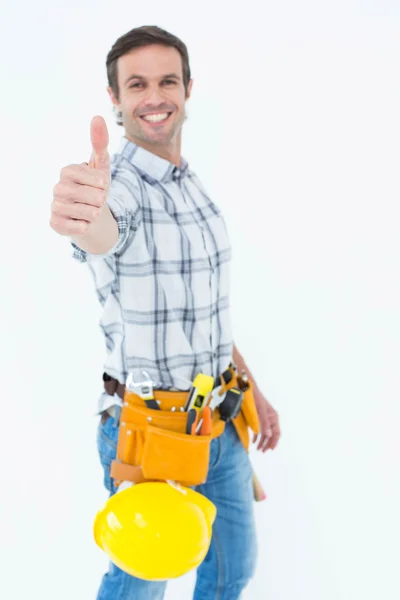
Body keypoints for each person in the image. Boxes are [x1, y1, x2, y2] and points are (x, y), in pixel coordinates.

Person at [50, 25, 281, 600]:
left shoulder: (191, 186)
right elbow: (100, 231)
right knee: (140, 583)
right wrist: (86, 212)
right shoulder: (117, 187)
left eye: (166, 80)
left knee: (232, 570)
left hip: (218, 425)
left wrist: (251, 388)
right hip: (150, 433)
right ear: (116, 99)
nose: (154, 96)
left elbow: (203, 312)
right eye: (137, 84)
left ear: (187, 88)